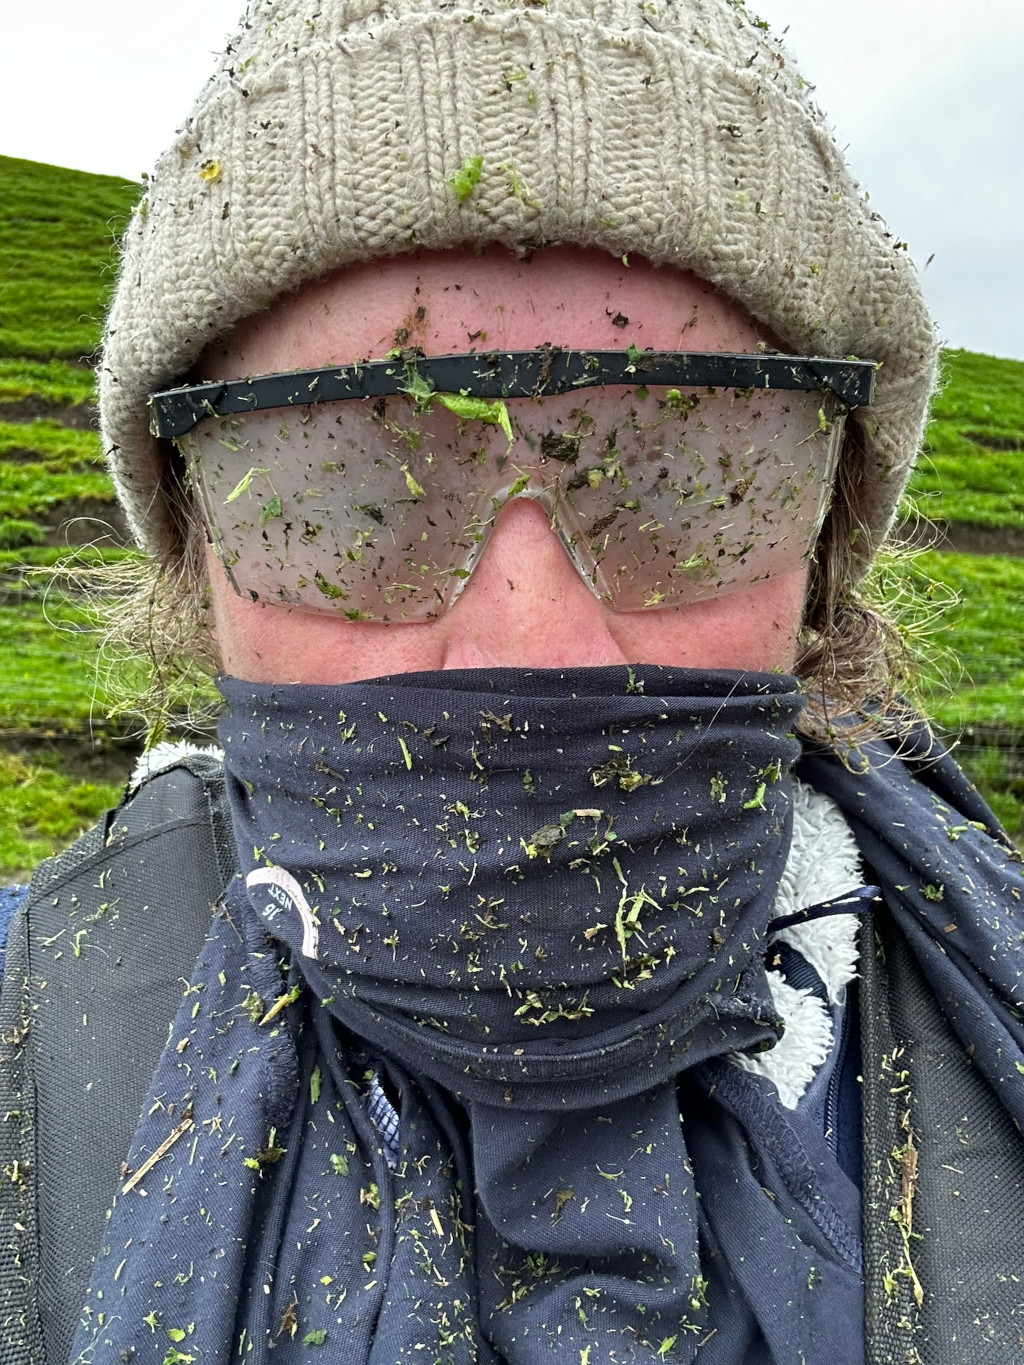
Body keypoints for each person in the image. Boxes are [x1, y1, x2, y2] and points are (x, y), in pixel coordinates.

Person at [2, 1, 1023, 1362]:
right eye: (347, 490)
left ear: (826, 535)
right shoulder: (28, 1033)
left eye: (687, 478)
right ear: (194, 547)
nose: (528, 640)